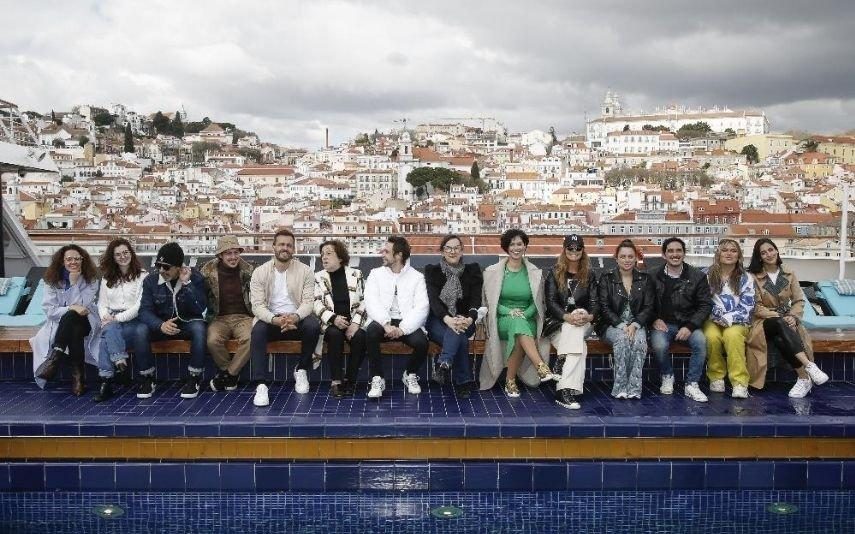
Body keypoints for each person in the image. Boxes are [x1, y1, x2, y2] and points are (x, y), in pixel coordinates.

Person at [746, 238, 828, 398]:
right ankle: (809, 366)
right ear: (759, 257)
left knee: (780, 338)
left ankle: (804, 378)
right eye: (763, 253)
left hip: (787, 318)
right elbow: (755, 306)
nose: (768, 254)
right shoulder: (754, 277)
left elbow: (798, 300)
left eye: (770, 250)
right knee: (777, 323)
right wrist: (780, 317)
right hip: (763, 320)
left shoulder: (789, 273)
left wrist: (793, 316)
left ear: (776, 250)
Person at [248, 229, 321, 407]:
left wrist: (295, 317)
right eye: (281, 244)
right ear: (273, 246)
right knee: (257, 331)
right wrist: (274, 319)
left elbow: (308, 303)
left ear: (293, 249)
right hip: (271, 320)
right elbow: (257, 306)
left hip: (296, 318)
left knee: (313, 325)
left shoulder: (305, 271)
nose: (285, 248)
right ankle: (261, 384)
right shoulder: (260, 272)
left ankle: (302, 369)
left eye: (289, 245)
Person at [481, 229, 556, 398]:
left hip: (527, 318)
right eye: (512, 244)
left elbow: (537, 303)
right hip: (502, 319)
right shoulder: (492, 272)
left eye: (519, 244)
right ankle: (540, 367)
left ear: (525, 246)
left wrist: (525, 314)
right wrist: (509, 312)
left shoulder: (534, 272)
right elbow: (491, 302)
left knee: (518, 329)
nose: (516, 248)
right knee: (517, 325)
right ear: (506, 247)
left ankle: (510, 381)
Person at [136, 241, 208, 400]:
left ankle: (194, 377)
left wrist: (187, 284)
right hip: (161, 324)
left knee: (199, 328)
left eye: (166, 267)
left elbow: (200, 309)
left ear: (178, 267)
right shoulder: (151, 281)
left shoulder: (194, 278)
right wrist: (160, 325)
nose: (161, 270)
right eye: (158, 265)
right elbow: (144, 311)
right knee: (140, 330)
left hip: (186, 323)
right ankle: (147, 378)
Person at [362, 236, 430, 398]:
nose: (382, 254)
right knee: (371, 333)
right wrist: (386, 324)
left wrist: (402, 329)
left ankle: (410, 374)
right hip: (382, 319)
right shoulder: (375, 274)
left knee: (422, 343)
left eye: (386, 251)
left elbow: (422, 307)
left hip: (406, 321)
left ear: (398, 256)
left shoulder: (417, 277)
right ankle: (377, 378)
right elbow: (371, 302)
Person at [649, 237, 712, 403]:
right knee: (659, 344)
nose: (674, 254)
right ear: (664, 254)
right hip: (662, 324)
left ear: (684, 254)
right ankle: (667, 375)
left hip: (688, 324)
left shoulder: (697, 276)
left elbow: (705, 305)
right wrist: (654, 319)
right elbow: (645, 302)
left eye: (678, 251)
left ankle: (692, 383)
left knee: (700, 342)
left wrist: (690, 326)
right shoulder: (653, 275)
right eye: (670, 251)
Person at [31, 245, 100, 396]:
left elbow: (82, 308)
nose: (73, 262)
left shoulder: (91, 280)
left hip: (86, 320)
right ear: (62, 261)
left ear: (83, 260)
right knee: (73, 325)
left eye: (77, 259)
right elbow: (50, 311)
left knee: (74, 316)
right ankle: (78, 378)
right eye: (69, 259)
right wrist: (71, 308)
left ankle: (55, 357)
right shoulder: (51, 280)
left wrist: (74, 283)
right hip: (64, 323)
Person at [543, 234, 598, 410]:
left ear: (583, 251)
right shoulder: (554, 272)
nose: (574, 252)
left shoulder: (589, 274)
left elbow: (595, 304)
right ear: (564, 250)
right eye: (570, 248)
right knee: (579, 346)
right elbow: (550, 302)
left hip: (584, 322)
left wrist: (588, 317)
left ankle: (561, 370)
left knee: (579, 315)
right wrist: (567, 317)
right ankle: (565, 390)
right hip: (558, 324)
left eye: (578, 249)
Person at [424, 234, 483, 399]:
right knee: (461, 338)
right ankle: (462, 381)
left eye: (456, 248)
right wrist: (448, 319)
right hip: (439, 320)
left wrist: (470, 318)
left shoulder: (472, 271)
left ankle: (444, 363)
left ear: (462, 251)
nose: (452, 251)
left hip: (466, 319)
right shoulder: (432, 271)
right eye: (448, 248)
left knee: (458, 331)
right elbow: (434, 302)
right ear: (442, 251)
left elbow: (476, 300)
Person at [597, 239, 655, 399]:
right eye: (623, 256)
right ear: (616, 258)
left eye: (630, 256)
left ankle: (634, 389)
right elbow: (604, 307)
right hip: (612, 325)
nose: (627, 260)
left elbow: (649, 306)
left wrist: (635, 325)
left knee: (639, 342)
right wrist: (621, 325)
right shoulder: (606, 278)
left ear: (636, 258)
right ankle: (620, 387)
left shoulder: (645, 279)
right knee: (623, 340)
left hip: (638, 325)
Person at [313, 239, 368, 398]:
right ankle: (336, 381)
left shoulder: (356, 274)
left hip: (353, 321)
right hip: (330, 322)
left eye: (329, 254)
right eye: (322, 254)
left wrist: (355, 323)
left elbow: (365, 300)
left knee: (360, 338)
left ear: (341, 257)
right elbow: (315, 303)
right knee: (335, 335)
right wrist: (333, 318)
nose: (324, 257)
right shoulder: (318, 277)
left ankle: (350, 380)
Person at [93, 238, 146, 402]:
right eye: (118, 254)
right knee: (108, 333)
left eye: (125, 252)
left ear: (131, 253)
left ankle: (107, 381)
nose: (123, 256)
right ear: (113, 257)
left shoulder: (142, 276)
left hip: (132, 320)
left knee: (105, 337)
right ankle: (119, 366)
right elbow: (101, 303)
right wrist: (105, 317)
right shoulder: (107, 278)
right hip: (111, 320)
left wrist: (115, 319)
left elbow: (139, 306)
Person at [202, 235, 255, 393]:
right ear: (220, 255)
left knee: (252, 338)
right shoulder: (207, 271)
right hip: (219, 318)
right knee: (212, 340)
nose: (233, 257)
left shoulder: (249, 270)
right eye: (228, 253)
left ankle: (229, 375)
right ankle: (230, 373)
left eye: (235, 253)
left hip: (244, 316)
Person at [703, 239, 755, 399]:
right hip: (712, 319)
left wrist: (727, 318)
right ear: (718, 254)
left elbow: (748, 305)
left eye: (733, 250)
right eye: (724, 250)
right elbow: (701, 301)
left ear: (739, 255)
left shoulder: (746, 278)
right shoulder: (706, 275)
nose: (729, 253)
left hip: (738, 321)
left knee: (732, 336)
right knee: (711, 337)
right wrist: (715, 317)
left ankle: (739, 383)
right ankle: (716, 376)